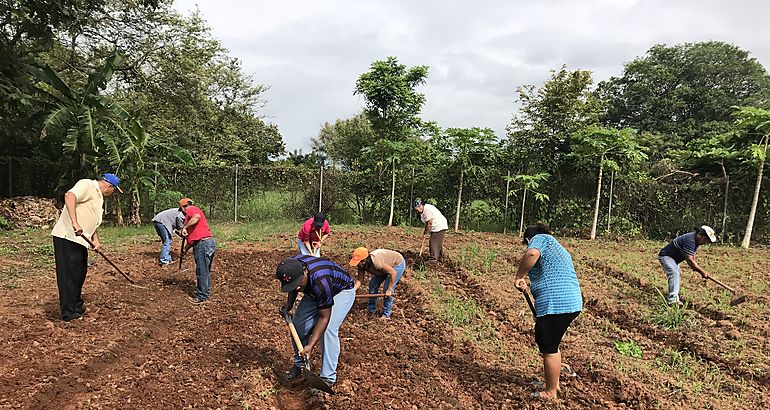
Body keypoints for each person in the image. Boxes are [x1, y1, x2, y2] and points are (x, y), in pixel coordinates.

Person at [514, 222, 582, 400]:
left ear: (528, 238)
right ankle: (553, 382)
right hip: (570, 302)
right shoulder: (557, 247)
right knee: (548, 341)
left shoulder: (540, 239)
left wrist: (519, 275)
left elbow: (532, 253)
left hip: (557, 304)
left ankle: (551, 391)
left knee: (549, 347)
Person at [276, 254, 355, 393]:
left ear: (304, 272)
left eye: (299, 284)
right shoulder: (291, 266)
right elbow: (293, 287)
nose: (297, 288)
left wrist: (311, 345)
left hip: (340, 291)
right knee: (298, 325)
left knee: (329, 330)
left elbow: (324, 317)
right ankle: (300, 365)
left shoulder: (321, 281)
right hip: (314, 291)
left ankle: (327, 377)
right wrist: (289, 305)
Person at [50, 173, 122, 321]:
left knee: (79, 273)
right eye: (114, 190)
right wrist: (75, 222)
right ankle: (69, 312)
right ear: (109, 186)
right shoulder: (87, 185)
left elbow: (92, 219)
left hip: (81, 240)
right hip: (68, 236)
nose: (113, 193)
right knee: (69, 275)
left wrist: (95, 239)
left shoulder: (98, 197)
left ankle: (76, 304)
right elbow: (69, 196)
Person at [658, 225, 716, 305]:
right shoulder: (690, 240)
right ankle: (673, 300)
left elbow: (692, 255)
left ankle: (674, 295)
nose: (706, 242)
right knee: (674, 273)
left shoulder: (696, 240)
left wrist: (696, 267)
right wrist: (702, 272)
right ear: (700, 234)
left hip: (674, 259)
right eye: (706, 239)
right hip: (666, 257)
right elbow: (689, 259)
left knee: (676, 274)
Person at [349, 247, 406, 320]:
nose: (357, 265)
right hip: (384, 267)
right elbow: (360, 280)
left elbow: (393, 272)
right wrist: (353, 290)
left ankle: (386, 315)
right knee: (373, 285)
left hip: (397, 264)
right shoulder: (361, 265)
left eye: (358, 262)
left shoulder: (376, 262)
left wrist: (389, 289)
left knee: (386, 290)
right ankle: (371, 309)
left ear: (364, 260)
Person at [179, 198, 216, 304]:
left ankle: (202, 296)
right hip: (207, 242)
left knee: (202, 271)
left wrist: (184, 227)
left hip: (203, 244)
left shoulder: (192, 210)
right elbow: (192, 239)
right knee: (205, 270)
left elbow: (197, 217)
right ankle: (205, 293)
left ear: (182, 208)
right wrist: (185, 250)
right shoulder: (191, 219)